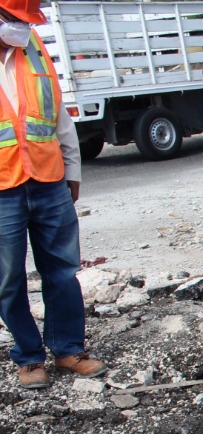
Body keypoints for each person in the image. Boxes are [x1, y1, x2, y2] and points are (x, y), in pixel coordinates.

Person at [0, 0, 106, 389]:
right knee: (7, 279)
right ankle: (28, 357)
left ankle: (68, 349)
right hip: (2, 187)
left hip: (47, 179)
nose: (20, 28)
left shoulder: (34, 49)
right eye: (14, 19)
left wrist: (73, 168)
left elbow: (58, 112)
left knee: (62, 271)